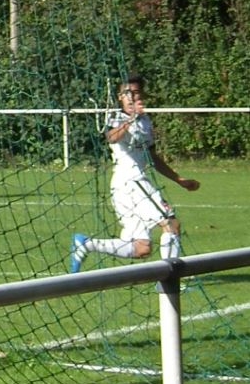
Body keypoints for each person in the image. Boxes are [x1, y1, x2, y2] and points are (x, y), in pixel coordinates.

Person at [70, 75, 200, 273]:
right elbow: (112, 137)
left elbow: (152, 157)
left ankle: (86, 244)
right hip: (130, 183)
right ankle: (169, 282)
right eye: (127, 93)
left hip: (130, 185)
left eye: (136, 93)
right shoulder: (116, 117)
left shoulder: (145, 120)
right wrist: (132, 118)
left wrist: (179, 179)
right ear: (120, 96)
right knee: (171, 224)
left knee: (142, 248)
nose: (132, 97)